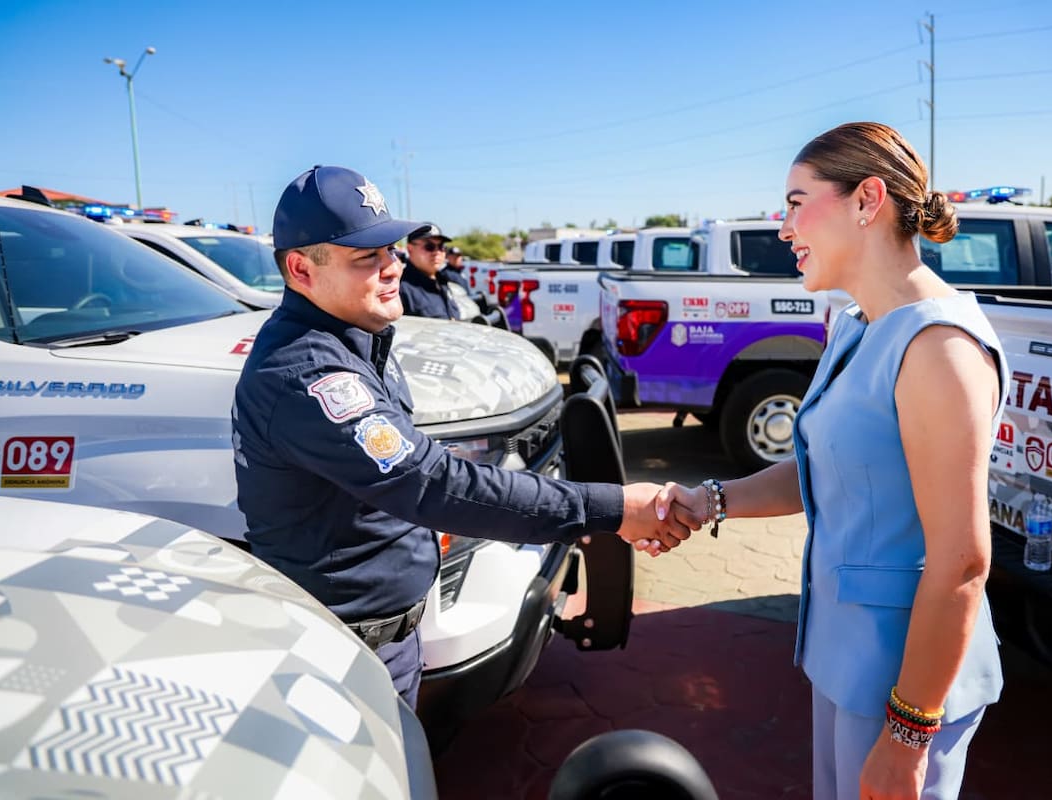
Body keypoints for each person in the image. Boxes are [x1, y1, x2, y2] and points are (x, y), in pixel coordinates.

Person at [232, 165, 697, 710]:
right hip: (346, 660)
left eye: (392, 250)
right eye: (367, 258)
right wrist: (613, 509)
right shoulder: (309, 374)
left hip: (380, 642)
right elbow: (431, 484)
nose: (392, 268)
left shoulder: (354, 336)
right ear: (300, 269)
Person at [660, 122, 1008, 800]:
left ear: (866, 200)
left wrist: (908, 737)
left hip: (907, 686)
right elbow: (830, 470)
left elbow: (963, 562)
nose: (784, 227)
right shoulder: (859, 324)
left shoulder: (939, 349)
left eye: (796, 202)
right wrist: (713, 500)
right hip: (849, 665)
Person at [399, 223, 457, 319]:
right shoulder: (400, 288)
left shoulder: (442, 280)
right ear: (410, 249)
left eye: (441, 247)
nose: (437, 252)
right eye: (429, 246)